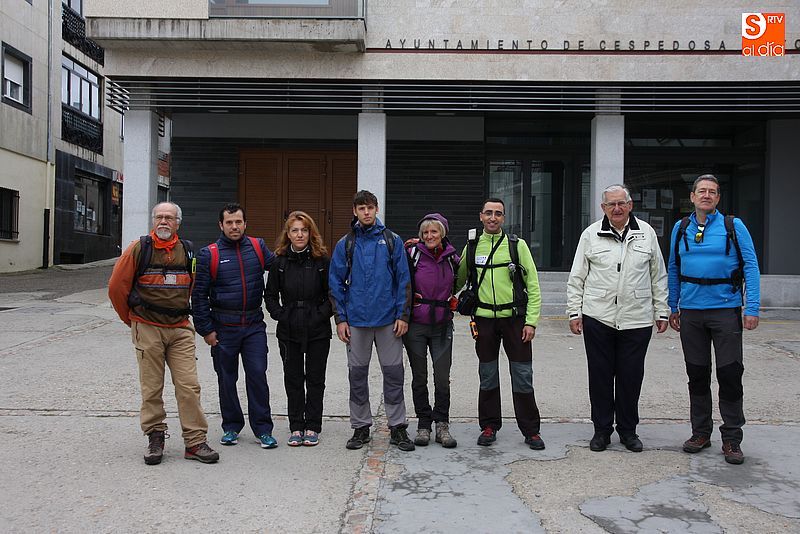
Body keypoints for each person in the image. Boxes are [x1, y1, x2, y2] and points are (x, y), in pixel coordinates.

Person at [108, 201, 219, 465]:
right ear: (153, 220)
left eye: (169, 218)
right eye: (159, 217)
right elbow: (116, 288)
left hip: (179, 328)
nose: (164, 222)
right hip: (147, 327)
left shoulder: (188, 251)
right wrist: (132, 321)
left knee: (189, 386)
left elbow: (194, 288)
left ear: (178, 223)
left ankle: (195, 441)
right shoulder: (139, 249)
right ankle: (155, 437)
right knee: (152, 387)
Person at [566, 184, 669, 453]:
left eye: (621, 203)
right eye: (611, 204)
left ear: (630, 205)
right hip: (598, 317)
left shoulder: (646, 233)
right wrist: (574, 312)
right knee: (600, 377)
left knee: (630, 378)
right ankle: (601, 431)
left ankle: (628, 431)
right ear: (603, 208)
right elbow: (577, 277)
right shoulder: (590, 235)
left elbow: (658, 275)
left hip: (637, 319)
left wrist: (661, 311)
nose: (617, 208)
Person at [668, 174, 760, 465]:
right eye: (701, 191)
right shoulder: (681, 227)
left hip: (725, 310)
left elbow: (751, 266)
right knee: (697, 375)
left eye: (712, 192)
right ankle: (700, 433)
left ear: (718, 198)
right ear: (692, 197)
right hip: (691, 311)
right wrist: (672, 305)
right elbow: (673, 267)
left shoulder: (734, 226)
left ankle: (732, 438)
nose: (706, 195)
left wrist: (752, 308)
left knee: (730, 375)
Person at [455, 198, 545, 450]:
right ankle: (489, 426)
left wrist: (531, 322)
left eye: (498, 213)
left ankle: (531, 430)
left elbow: (533, 286)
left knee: (522, 375)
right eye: (488, 213)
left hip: (515, 320)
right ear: (481, 216)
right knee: (488, 375)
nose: (493, 218)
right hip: (484, 320)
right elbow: (456, 280)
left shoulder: (517, 246)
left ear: (504, 218)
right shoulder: (472, 246)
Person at [329, 190, 415, 451]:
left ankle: (397, 427)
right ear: (354, 211)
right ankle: (360, 427)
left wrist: (402, 315)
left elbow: (404, 281)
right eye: (361, 208)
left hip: (388, 321)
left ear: (377, 209)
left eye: (370, 207)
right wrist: (340, 319)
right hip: (356, 322)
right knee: (357, 376)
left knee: (394, 374)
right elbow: (335, 283)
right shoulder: (346, 243)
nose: (366, 212)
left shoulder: (392, 240)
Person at [191, 203, 278, 449]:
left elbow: (282, 268)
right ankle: (231, 426)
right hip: (223, 327)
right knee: (226, 379)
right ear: (221, 225)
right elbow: (198, 296)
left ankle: (263, 429)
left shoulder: (258, 247)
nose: (234, 226)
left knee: (257, 375)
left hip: (253, 325)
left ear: (245, 223)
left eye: (238, 222)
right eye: (229, 222)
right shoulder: (208, 254)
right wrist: (206, 330)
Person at [265, 211, 333, 447]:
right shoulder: (279, 262)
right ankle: (296, 426)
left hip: (318, 328)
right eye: (295, 230)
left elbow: (332, 294)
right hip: (289, 329)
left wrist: (320, 315)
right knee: (293, 378)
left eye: (304, 230)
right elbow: (270, 296)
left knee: (315, 378)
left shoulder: (322, 261)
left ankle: (313, 425)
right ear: (288, 234)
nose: (300, 234)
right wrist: (282, 315)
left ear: (310, 233)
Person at [402, 213, 460, 448]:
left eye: (434, 231)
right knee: (420, 376)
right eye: (425, 232)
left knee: (442, 377)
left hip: (442, 324)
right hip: (416, 324)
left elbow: (463, 278)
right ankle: (424, 424)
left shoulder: (452, 258)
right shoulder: (412, 254)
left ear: (442, 233)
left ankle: (442, 424)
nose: (429, 236)